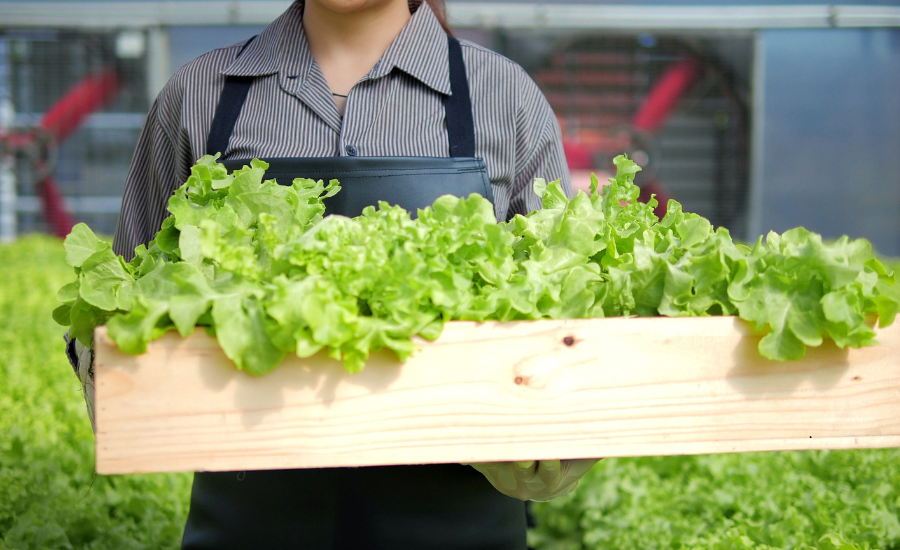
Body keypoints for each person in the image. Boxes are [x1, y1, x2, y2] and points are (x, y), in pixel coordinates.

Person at [67, 0, 599, 546]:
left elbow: (572, 326)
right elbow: (114, 311)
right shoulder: (201, 94)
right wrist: (126, 395)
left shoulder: (503, 97)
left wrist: (563, 444)